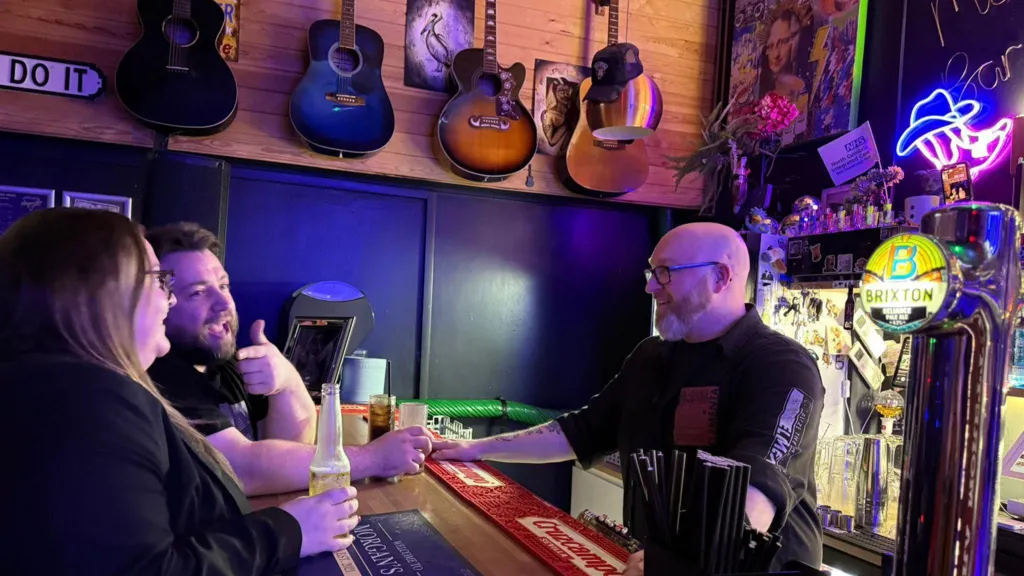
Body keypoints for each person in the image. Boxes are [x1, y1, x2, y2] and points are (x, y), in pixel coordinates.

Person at [433, 223, 824, 574]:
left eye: (665, 273)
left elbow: (757, 489)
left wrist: (678, 564)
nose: (650, 287)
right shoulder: (651, 356)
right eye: (651, 273)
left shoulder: (782, 364)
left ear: (720, 277)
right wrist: (471, 448)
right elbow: (580, 431)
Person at [0, 209, 359, 574]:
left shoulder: (71, 387)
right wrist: (288, 531)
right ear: (96, 293)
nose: (168, 300)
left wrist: (288, 381)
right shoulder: (90, 401)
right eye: (159, 280)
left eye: (223, 285)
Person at [145, 222, 434, 496]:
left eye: (223, 286)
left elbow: (293, 445)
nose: (224, 303)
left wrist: (287, 382)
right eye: (197, 293)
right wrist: (372, 458)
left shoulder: (225, 363)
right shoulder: (159, 376)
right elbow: (239, 469)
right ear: (160, 302)